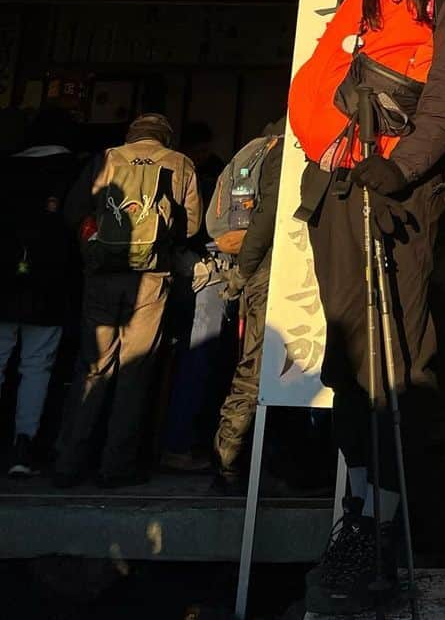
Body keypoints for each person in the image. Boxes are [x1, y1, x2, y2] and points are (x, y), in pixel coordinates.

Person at [215, 0, 445, 613]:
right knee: (347, 342)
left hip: (397, 185)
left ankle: (390, 526)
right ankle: (361, 509)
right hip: (335, 177)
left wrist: (403, 167)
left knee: (394, 345)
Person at [55, 112, 201, 487]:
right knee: (134, 370)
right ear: (165, 136)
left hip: (102, 277)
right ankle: (115, 467)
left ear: (131, 135)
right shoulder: (179, 162)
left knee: (93, 365)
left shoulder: (105, 158)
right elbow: (193, 225)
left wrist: (96, 245)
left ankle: (69, 463)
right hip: (151, 279)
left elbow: (73, 212)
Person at [0, 109, 82, 476]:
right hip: (51, 286)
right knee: (37, 367)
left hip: (3, 283)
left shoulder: (6, 169)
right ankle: (24, 444)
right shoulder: (74, 170)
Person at [212, 118, 286, 493]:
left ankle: (237, 461)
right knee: (260, 368)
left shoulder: (264, 147)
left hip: (262, 275)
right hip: (274, 273)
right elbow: (268, 215)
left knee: (259, 366)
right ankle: (231, 462)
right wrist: (245, 269)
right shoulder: (289, 149)